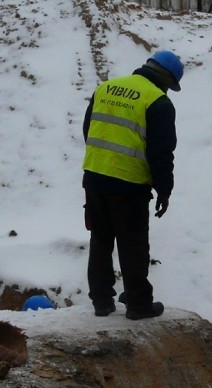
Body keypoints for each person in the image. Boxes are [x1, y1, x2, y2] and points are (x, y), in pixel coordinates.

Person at [82, 50, 183, 321]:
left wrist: (102, 162)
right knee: (133, 244)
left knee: (101, 238)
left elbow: (88, 130)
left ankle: (101, 301)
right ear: (166, 80)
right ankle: (138, 304)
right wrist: (164, 190)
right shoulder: (158, 102)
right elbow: (161, 153)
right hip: (129, 184)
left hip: (94, 177)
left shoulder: (106, 87)